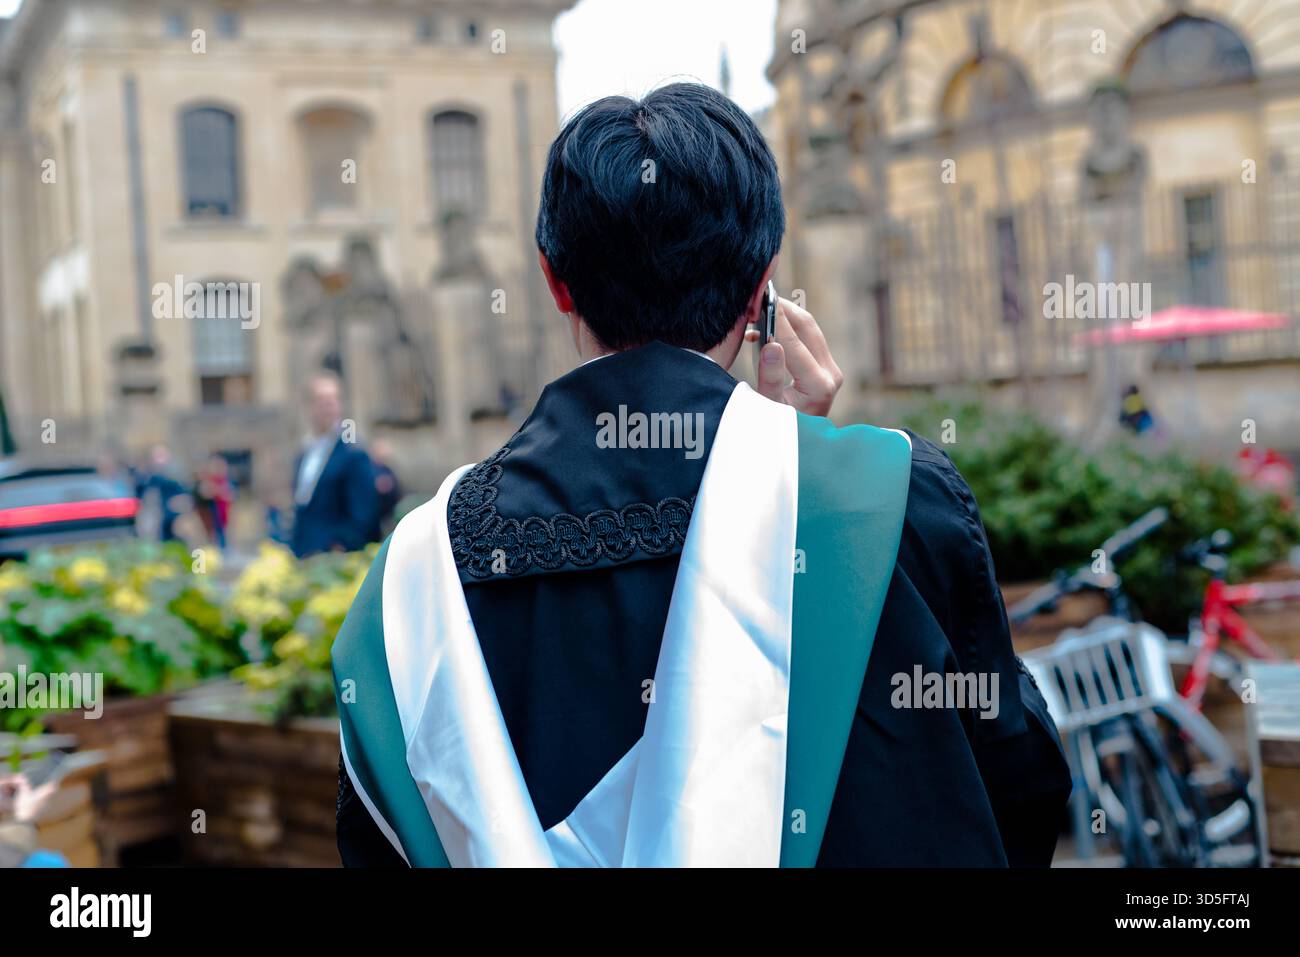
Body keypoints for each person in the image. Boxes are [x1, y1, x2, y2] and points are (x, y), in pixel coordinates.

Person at [333, 83, 1070, 868]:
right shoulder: (889, 501)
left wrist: (788, 460)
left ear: (555, 282)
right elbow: (1015, 794)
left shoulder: (415, 575)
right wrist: (801, 462)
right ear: (764, 288)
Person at [290, 372, 379, 558]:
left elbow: (364, 514)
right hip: (304, 558)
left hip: (336, 561)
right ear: (308, 406)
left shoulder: (353, 452)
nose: (329, 405)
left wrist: (337, 548)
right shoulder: (304, 454)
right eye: (322, 399)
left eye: (334, 398)